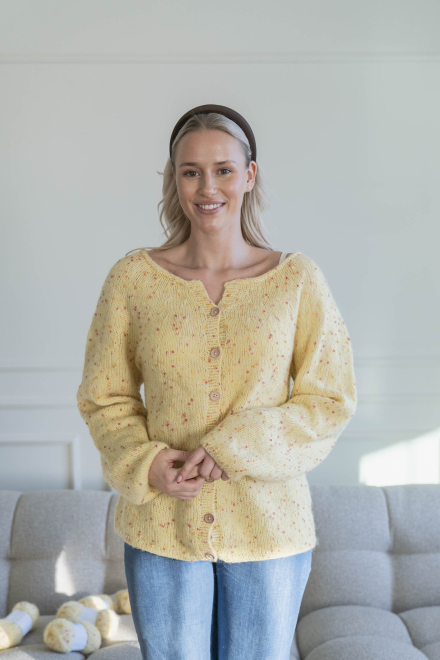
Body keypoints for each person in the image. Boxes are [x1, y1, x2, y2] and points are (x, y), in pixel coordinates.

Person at [76, 104, 357, 660]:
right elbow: (104, 397)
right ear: (174, 179)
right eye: (191, 171)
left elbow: (330, 400)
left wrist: (236, 446)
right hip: (162, 526)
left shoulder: (296, 281)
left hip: (270, 529)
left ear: (249, 175)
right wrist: (146, 462)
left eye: (223, 170)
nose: (208, 187)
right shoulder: (134, 279)